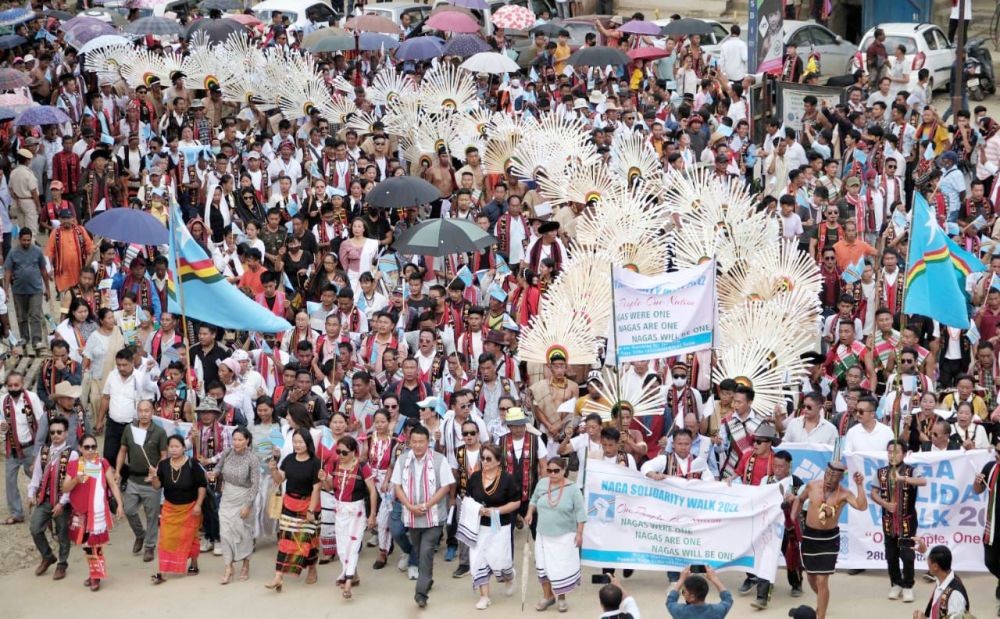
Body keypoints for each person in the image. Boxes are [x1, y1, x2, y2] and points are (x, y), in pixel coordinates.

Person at [792, 460, 868, 619]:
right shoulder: (812, 486)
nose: (829, 478)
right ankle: (822, 600)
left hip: (829, 539)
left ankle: (821, 615)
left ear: (840, 478)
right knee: (811, 577)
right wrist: (793, 517)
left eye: (834, 477)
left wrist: (860, 485)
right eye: (827, 474)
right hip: (810, 536)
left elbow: (861, 506)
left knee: (822, 580)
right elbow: (799, 499)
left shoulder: (844, 494)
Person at [391, 424, 455, 608]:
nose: (418, 445)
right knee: (419, 552)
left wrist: (428, 505)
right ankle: (428, 579)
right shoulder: (403, 459)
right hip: (411, 515)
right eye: (414, 442)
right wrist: (409, 506)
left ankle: (421, 593)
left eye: (422, 441)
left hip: (434, 516)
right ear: (409, 442)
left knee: (427, 551)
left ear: (428, 442)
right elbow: (397, 487)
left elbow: (445, 486)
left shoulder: (439, 459)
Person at [63, 432, 125, 591]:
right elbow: (65, 488)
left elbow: (112, 484)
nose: (90, 450)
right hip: (81, 512)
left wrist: (119, 504)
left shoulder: (102, 463)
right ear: (80, 448)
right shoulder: (74, 465)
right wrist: (77, 479)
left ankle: (96, 576)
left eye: (93, 446)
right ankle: (94, 573)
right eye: (87, 447)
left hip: (97, 512)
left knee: (94, 545)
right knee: (87, 545)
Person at [524, 455, 586, 613]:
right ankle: (548, 596)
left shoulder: (573, 489)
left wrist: (579, 533)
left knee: (560, 568)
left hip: (565, 535)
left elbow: (580, 512)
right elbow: (533, 500)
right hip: (543, 534)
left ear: (564, 471)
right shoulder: (542, 483)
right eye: (549, 470)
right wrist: (530, 512)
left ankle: (562, 599)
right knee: (543, 566)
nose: (552, 474)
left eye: (556, 471)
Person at [463, 443, 521, 609]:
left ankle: (509, 576)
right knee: (478, 557)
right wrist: (477, 509)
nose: (485, 461)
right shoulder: (474, 477)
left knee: (499, 559)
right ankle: (484, 596)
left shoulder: (507, 479)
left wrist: (496, 510)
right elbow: (467, 499)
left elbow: (516, 502)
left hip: (498, 521)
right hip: (478, 523)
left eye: (489, 458)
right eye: (482, 458)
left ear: (498, 461)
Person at [322, 435, 377, 598]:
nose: (340, 455)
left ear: (354, 452)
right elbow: (331, 488)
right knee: (342, 545)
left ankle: (347, 581)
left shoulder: (362, 467)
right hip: (340, 510)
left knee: (352, 546)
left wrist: (372, 514)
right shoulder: (336, 465)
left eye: (344, 453)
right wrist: (324, 479)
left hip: (356, 511)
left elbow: (373, 491)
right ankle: (353, 575)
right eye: (338, 451)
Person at [870, 439, 924, 603]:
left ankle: (908, 586)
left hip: (907, 521)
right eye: (889, 451)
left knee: (907, 555)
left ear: (905, 454)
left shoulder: (911, 471)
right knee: (890, 555)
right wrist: (885, 503)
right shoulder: (880, 472)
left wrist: (903, 479)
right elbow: (873, 493)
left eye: (897, 451)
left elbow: (923, 481)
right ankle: (896, 583)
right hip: (888, 521)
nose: (892, 455)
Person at [267, 428, 321, 591]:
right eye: (295, 442)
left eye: (300, 442)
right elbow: (279, 479)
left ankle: (312, 568)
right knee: (285, 541)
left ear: (308, 443)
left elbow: (317, 489)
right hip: (289, 504)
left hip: (308, 505)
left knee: (307, 541)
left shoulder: (315, 462)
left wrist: (311, 510)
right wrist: (274, 470)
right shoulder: (289, 459)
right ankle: (278, 576)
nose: (297, 445)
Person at [150, 435, 208, 585]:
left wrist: (198, 505)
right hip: (170, 508)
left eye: (177, 446)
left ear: (184, 448)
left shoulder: (192, 464)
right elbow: (157, 486)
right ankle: (162, 571)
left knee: (191, 538)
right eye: (171, 447)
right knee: (165, 539)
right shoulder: (163, 465)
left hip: (190, 507)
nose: (174, 449)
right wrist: (154, 477)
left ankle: (193, 564)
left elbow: (202, 485)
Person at [116, 399, 168, 563]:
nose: (144, 414)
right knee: (129, 510)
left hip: (151, 481)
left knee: (152, 516)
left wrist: (157, 471)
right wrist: (117, 471)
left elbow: (164, 456)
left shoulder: (159, 432)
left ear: (152, 412)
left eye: (147, 411)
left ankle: (150, 546)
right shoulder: (129, 430)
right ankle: (140, 535)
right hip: (133, 478)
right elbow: (123, 451)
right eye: (141, 411)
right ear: (137, 412)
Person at [26, 416, 75, 580]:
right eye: (52, 432)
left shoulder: (72, 454)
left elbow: (72, 482)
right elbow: (37, 475)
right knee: (35, 528)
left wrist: (62, 503)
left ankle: (62, 564)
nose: (55, 435)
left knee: (62, 533)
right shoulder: (44, 451)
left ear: (66, 433)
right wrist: (31, 493)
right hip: (45, 499)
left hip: (63, 501)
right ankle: (47, 556)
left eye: (59, 432)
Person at [214, 427, 260, 585]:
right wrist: (214, 473)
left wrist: (248, 505)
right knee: (225, 532)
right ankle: (228, 567)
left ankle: (246, 564)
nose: (237, 443)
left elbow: (255, 485)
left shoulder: (252, 458)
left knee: (243, 532)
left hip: (244, 497)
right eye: (234, 439)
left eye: (240, 440)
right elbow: (218, 467)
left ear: (247, 441)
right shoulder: (227, 453)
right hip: (227, 497)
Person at [2, 371, 47, 525]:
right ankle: (16, 513)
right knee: (10, 480)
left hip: (30, 446)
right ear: (6, 386)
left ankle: (47, 507)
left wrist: (40, 448)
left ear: (22, 385)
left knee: (37, 478)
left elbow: (42, 422)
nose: (13, 388)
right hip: (12, 447)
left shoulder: (31, 398)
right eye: (10, 385)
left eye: (16, 385)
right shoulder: (3, 401)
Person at [5, 227, 50, 354]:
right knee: (22, 316)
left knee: (35, 315)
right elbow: (8, 271)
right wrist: (6, 290)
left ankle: (36, 340)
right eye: (24, 240)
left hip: (36, 289)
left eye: (28, 240)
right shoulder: (13, 253)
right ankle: (25, 337)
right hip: (18, 290)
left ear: (31, 239)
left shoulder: (37, 251)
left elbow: (43, 270)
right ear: (19, 239)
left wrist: (48, 288)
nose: (26, 242)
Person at [913, 545, 969, 619]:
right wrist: (925, 551)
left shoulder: (955, 596)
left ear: (935, 567)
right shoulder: (944, 577)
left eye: (929, 564)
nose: (928, 567)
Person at [666, 565, 734, 618]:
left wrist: (681, 580)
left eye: (684, 592)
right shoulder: (716, 611)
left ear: (692, 597)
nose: (683, 593)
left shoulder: (680, 611)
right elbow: (728, 599)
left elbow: (670, 601)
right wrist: (714, 579)